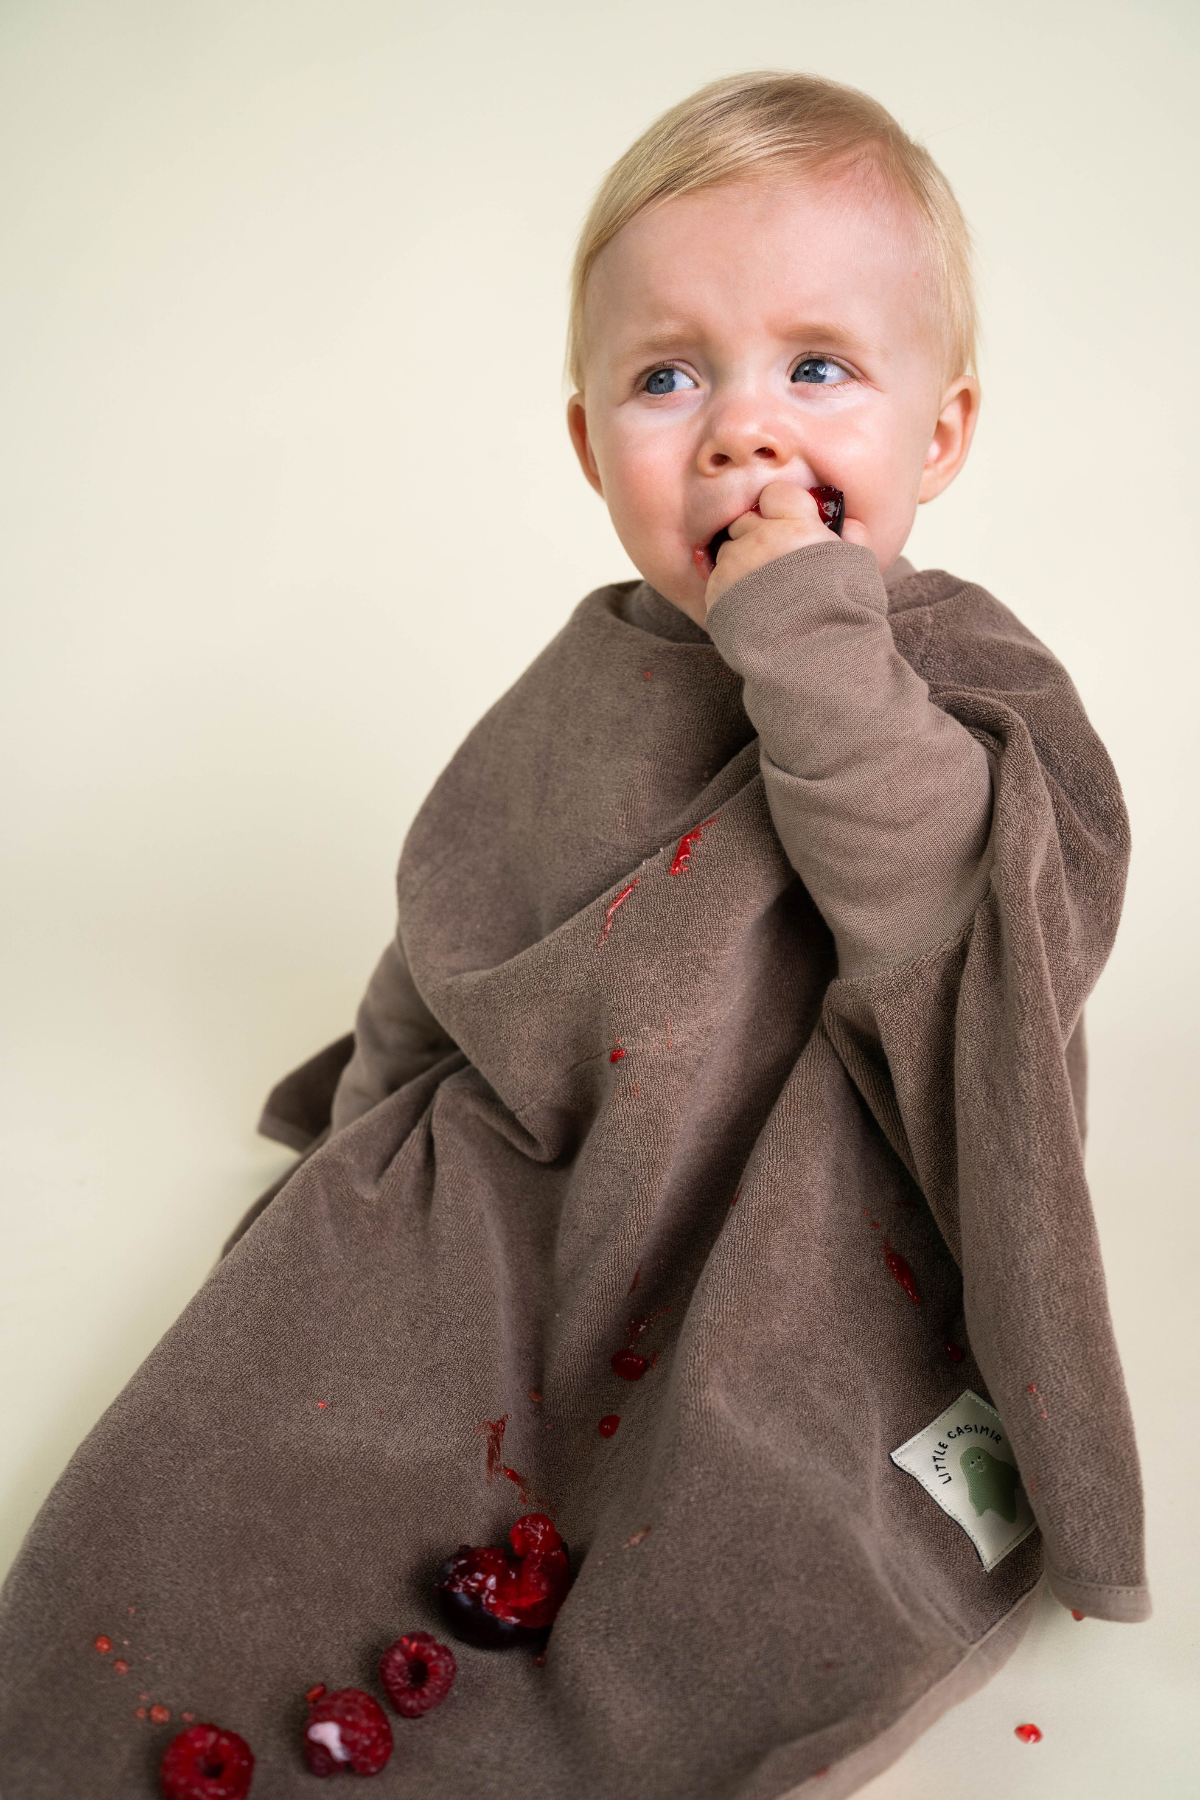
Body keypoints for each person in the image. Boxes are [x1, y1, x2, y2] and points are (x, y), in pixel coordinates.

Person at [0, 70, 1148, 1800]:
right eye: (668, 376)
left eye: (818, 367)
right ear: (588, 440)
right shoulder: (594, 675)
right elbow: (459, 927)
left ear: (943, 433)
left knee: (733, 1510)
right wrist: (351, 1147)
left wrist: (809, 631)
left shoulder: (956, 683)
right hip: (547, 1190)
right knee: (250, 1424)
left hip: (806, 1223)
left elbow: (934, 910)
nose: (745, 431)